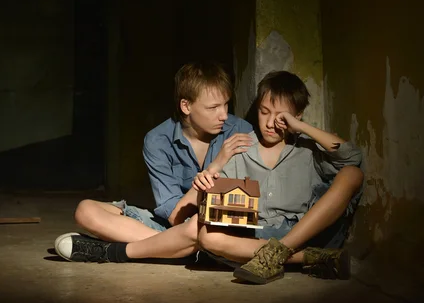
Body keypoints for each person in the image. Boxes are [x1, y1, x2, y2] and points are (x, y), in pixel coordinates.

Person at [54, 71, 364, 285]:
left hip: (289, 232)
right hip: (228, 234)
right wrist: (209, 178)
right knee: (204, 235)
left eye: (282, 117)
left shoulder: (303, 151)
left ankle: (280, 252)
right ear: (186, 107)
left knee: (351, 174)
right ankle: (303, 259)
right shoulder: (239, 147)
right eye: (265, 112)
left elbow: (352, 159)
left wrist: (300, 126)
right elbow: (182, 216)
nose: (271, 123)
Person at [54, 61, 253, 258]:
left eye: (226, 105)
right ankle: (176, 248)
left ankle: (132, 251)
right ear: (186, 106)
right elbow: (175, 217)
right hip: (174, 227)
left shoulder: (239, 131)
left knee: (198, 228)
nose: (224, 115)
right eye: (213, 108)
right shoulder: (158, 140)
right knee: (85, 210)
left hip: (216, 229)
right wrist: (216, 165)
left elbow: (245, 210)